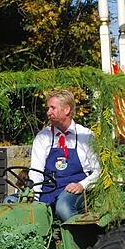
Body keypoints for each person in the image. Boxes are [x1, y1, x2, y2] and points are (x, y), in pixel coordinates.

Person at [29, 89, 100, 221]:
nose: (48, 112)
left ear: (66, 109)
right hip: (48, 189)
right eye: (48, 108)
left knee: (63, 207)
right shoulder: (43, 136)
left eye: (52, 108)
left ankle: (79, 233)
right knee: (11, 203)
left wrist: (82, 185)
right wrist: (34, 198)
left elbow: (98, 171)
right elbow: (36, 172)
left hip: (75, 190)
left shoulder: (85, 136)